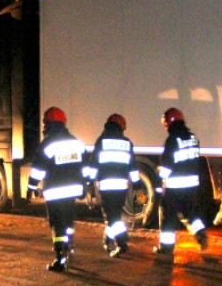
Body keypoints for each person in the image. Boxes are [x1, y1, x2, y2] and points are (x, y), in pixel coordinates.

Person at [28, 107, 86, 272]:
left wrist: (31, 187)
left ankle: (60, 258)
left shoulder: (47, 144)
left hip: (55, 192)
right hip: (73, 191)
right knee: (68, 222)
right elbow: (85, 167)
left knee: (57, 225)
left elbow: (38, 169)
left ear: (47, 124)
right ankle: (69, 248)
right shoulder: (76, 142)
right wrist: (85, 186)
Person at [155, 107, 208, 257]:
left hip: (175, 186)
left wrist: (159, 182)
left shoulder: (172, 140)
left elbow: (167, 166)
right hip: (192, 185)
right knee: (190, 213)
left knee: (168, 217)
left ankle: (166, 248)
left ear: (169, 123)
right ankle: (201, 233)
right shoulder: (193, 138)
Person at [88, 113, 140, 257]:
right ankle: (108, 239)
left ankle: (122, 243)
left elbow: (94, 165)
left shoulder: (101, 141)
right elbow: (132, 166)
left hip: (106, 186)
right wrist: (137, 185)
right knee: (114, 215)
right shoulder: (127, 143)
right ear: (121, 127)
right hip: (122, 186)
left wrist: (90, 184)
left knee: (112, 217)